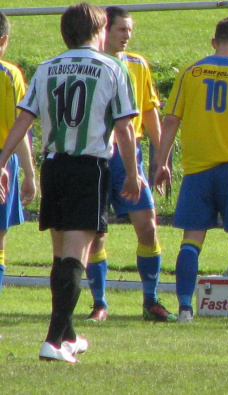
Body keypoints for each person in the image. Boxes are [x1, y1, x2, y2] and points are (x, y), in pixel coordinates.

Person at [0, 2, 140, 363]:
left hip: (54, 167)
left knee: (61, 257)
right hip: (88, 168)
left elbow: (23, 122)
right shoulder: (112, 67)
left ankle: (69, 335)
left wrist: (0, 160)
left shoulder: (47, 68)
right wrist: (134, 173)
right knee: (76, 258)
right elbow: (124, 128)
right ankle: (52, 341)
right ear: (99, 30)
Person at [155, 16, 228, 324]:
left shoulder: (190, 72)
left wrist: (162, 161)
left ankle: (186, 309)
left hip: (197, 168)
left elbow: (172, 119)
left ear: (213, 42)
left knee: (191, 239)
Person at [84, 6, 174, 323]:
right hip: (96, 155)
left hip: (128, 156)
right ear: (105, 30)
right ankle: (100, 303)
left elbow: (149, 112)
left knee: (148, 227)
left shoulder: (137, 65)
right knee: (96, 233)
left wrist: (161, 158)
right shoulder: (90, 64)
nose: (127, 36)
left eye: (130, 30)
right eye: (122, 29)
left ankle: (151, 301)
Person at [0, 11, 37, 340]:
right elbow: (20, 127)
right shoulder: (10, 73)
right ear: (4, 41)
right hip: (3, 162)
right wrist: (29, 174)